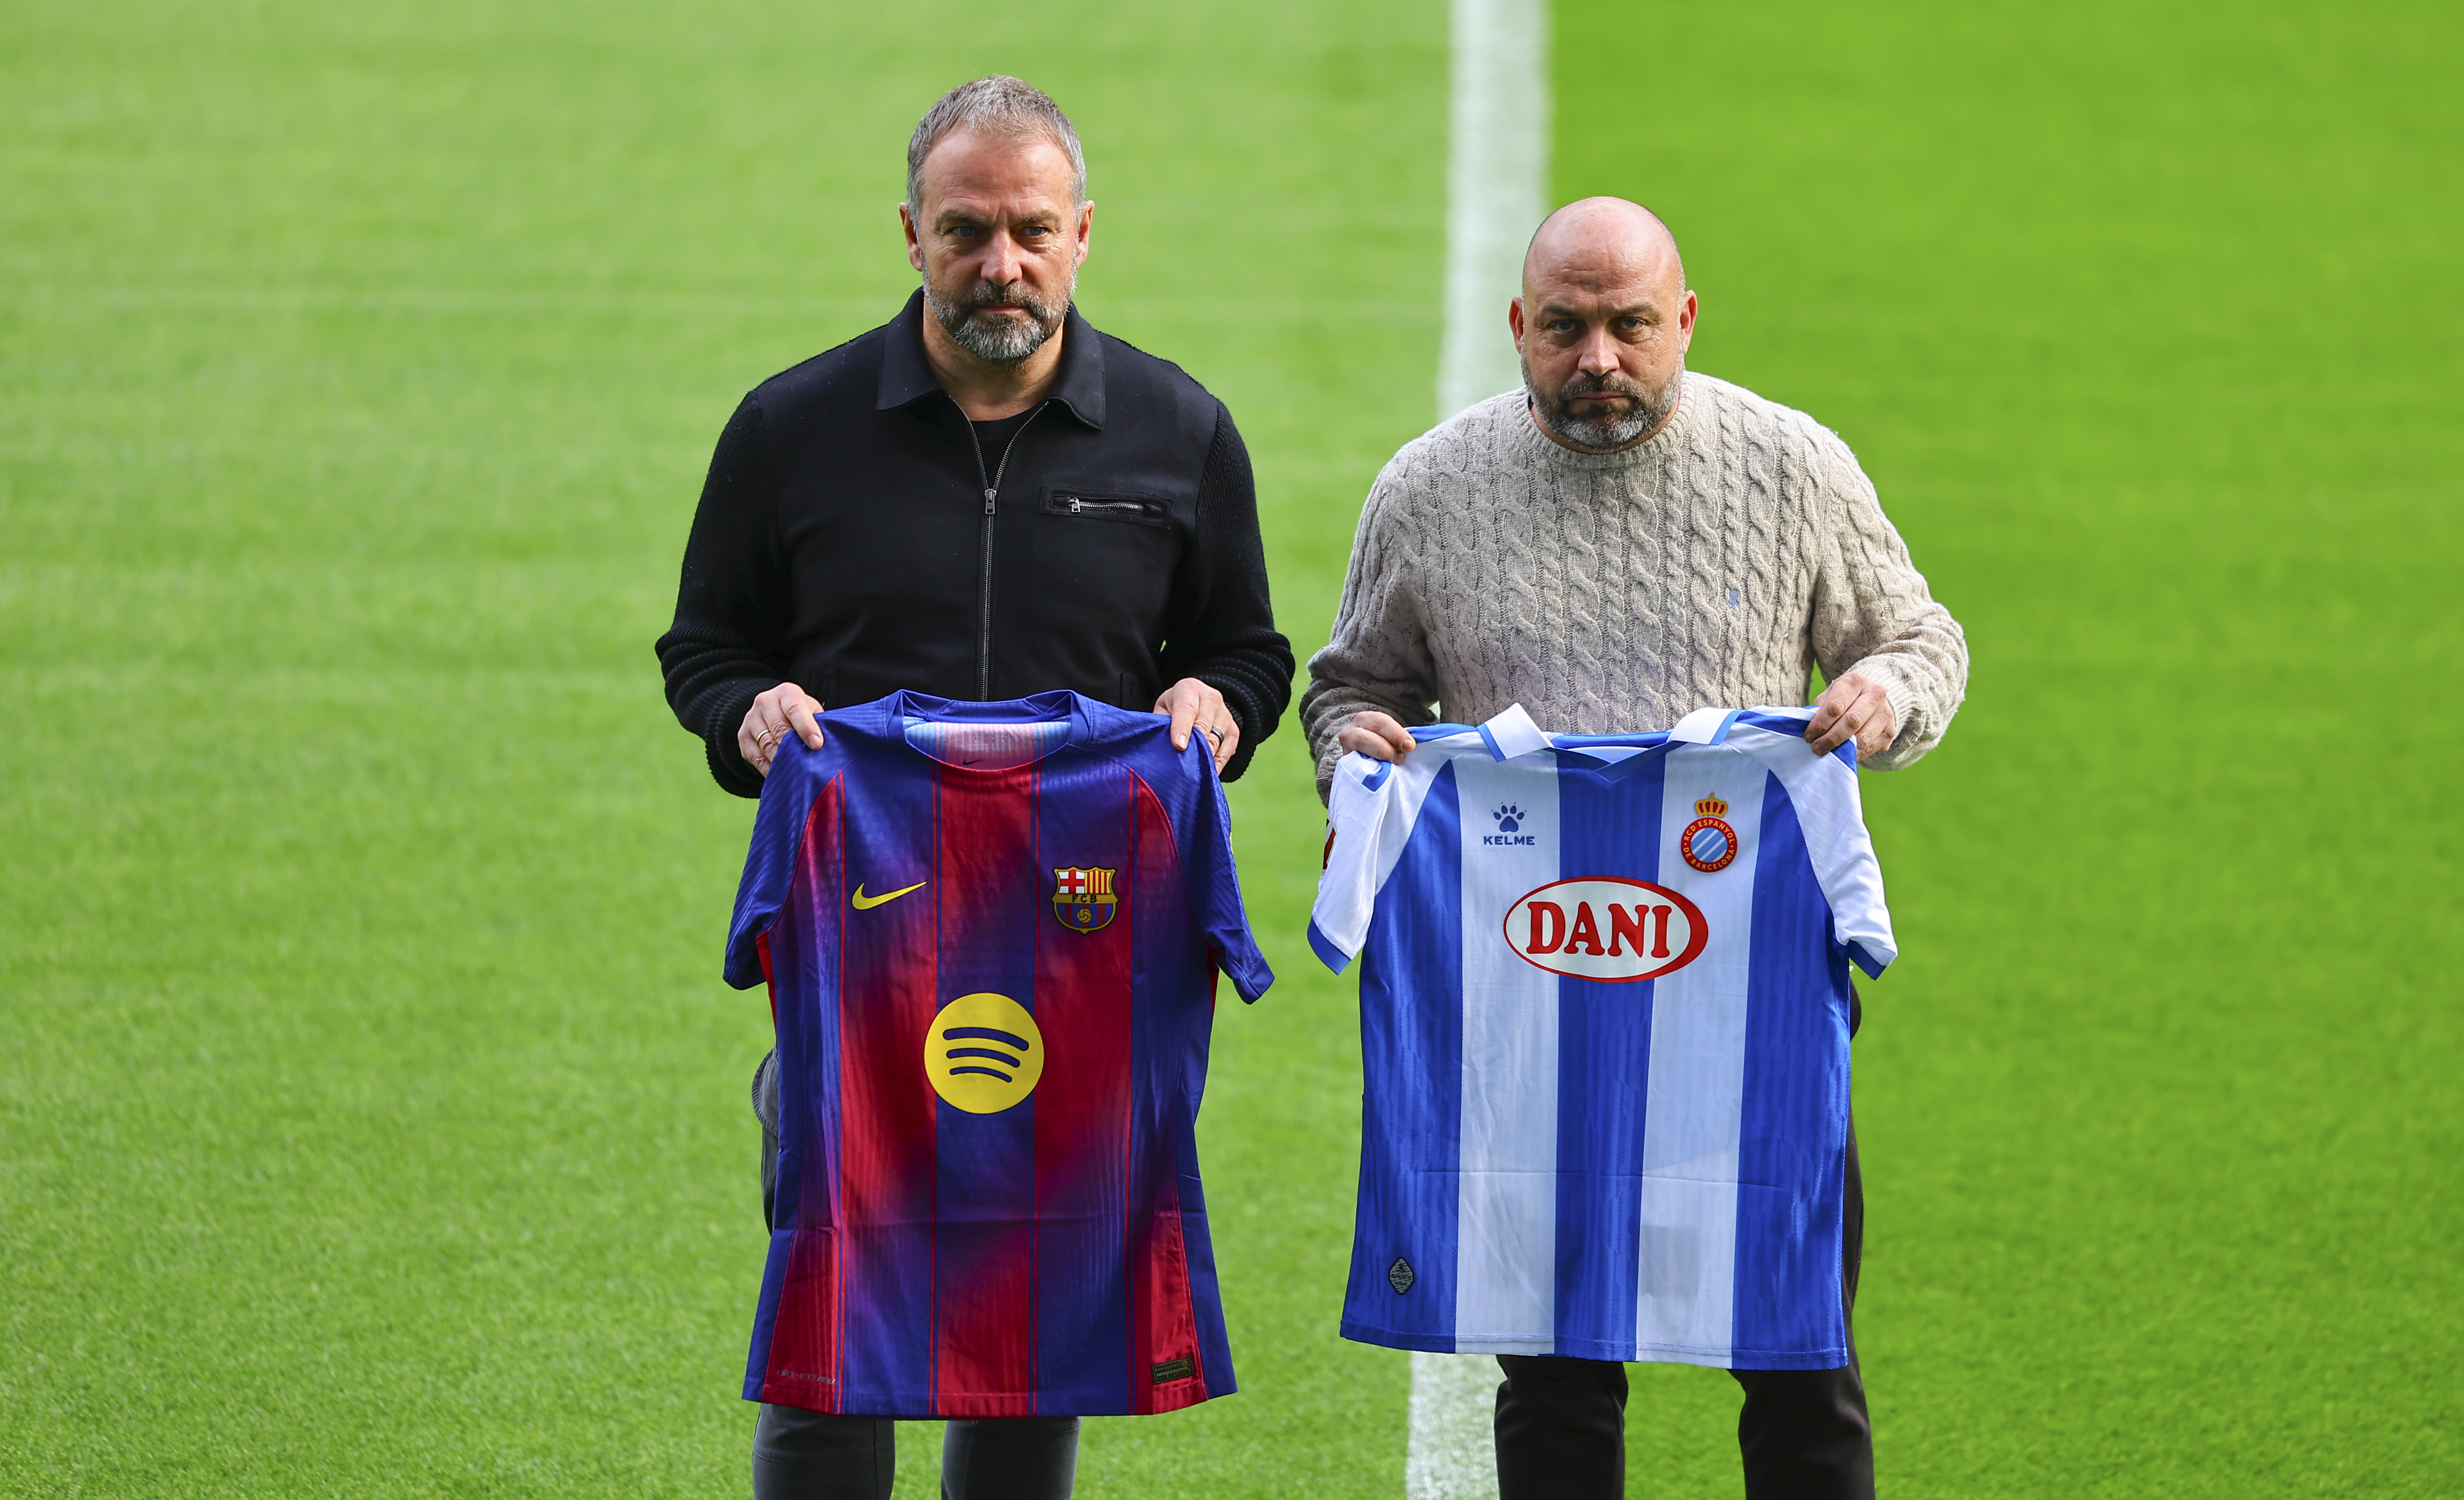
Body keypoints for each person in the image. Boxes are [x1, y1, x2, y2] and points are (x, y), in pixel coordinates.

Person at [657, 75, 1293, 1500]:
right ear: (909, 235)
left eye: (1028, 230)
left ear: (1082, 235)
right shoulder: (790, 427)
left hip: (1080, 952)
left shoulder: (1179, 432)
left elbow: (1248, 650)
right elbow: (705, 646)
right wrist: (745, 716)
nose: (998, 264)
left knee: (1038, 1318)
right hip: (863, 945)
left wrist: (1218, 706)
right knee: (838, 1298)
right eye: (964, 231)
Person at [1302, 196, 1968, 1500]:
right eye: (1564, 328)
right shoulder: (1427, 490)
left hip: (1749, 990)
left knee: (1794, 1349)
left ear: (1685, 321)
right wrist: (1354, 751)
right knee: (1550, 1371)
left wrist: (1885, 697)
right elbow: (1346, 687)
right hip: (1527, 999)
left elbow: (1920, 639)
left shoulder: (1792, 465)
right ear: (1517, 326)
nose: (1597, 358)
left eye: (1629, 326)